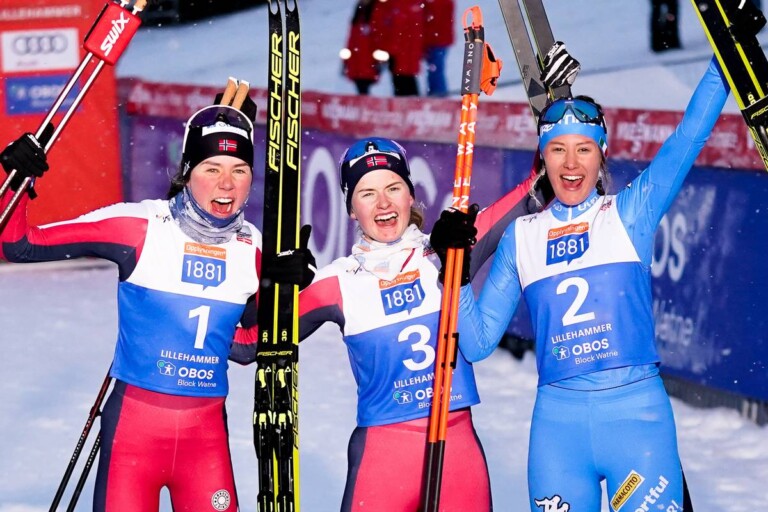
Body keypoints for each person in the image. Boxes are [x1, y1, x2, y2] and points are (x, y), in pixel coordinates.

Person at [434, 56, 729, 511]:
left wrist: (722, 64)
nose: (571, 164)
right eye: (558, 150)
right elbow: (475, 344)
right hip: (558, 432)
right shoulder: (522, 237)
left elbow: (688, 137)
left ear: (602, 152)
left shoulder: (629, 213)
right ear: (543, 156)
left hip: (636, 420)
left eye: (584, 149)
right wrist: (454, 268)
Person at [0, 98, 314, 510]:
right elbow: (20, 246)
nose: (227, 184)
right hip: (133, 436)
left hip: (205, 446)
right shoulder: (139, 227)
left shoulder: (252, 247)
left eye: (239, 171)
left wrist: (289, 298)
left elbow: (243, 346)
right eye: (212, 169)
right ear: (187, 173)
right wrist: (16, 179)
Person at [295, 136, 551, 510]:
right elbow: (249, 341)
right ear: (351, 208)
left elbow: (536, 191)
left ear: (410, 195)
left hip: (457, 451)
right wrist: (277, 286)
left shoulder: (449, 248)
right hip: (383, 460)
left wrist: (549, 119)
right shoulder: (338, 280)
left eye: (393, 188)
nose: (383, 204)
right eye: (367, 193)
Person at [370, 0, 424, 96]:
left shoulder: (408, 6)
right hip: (396, 52)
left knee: (406, 81)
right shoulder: (389, 6)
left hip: (404, 52)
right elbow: (379, 26)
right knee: (401, 81)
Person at [341, 0, 381, 95]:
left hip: (368, 60)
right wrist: (346, 60)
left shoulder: (377, 11)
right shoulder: (358, 12)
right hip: (356, 60)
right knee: (359, 88)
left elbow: (379, 37)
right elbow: (351, 38)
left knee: (365, 88)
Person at [423, 0, 455, 97]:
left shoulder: (438, 3)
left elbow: (433, 21)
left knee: (435, 69)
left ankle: (438, 94)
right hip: (438, 39)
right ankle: (437, 93)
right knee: (435, 68)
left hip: (436, 40)